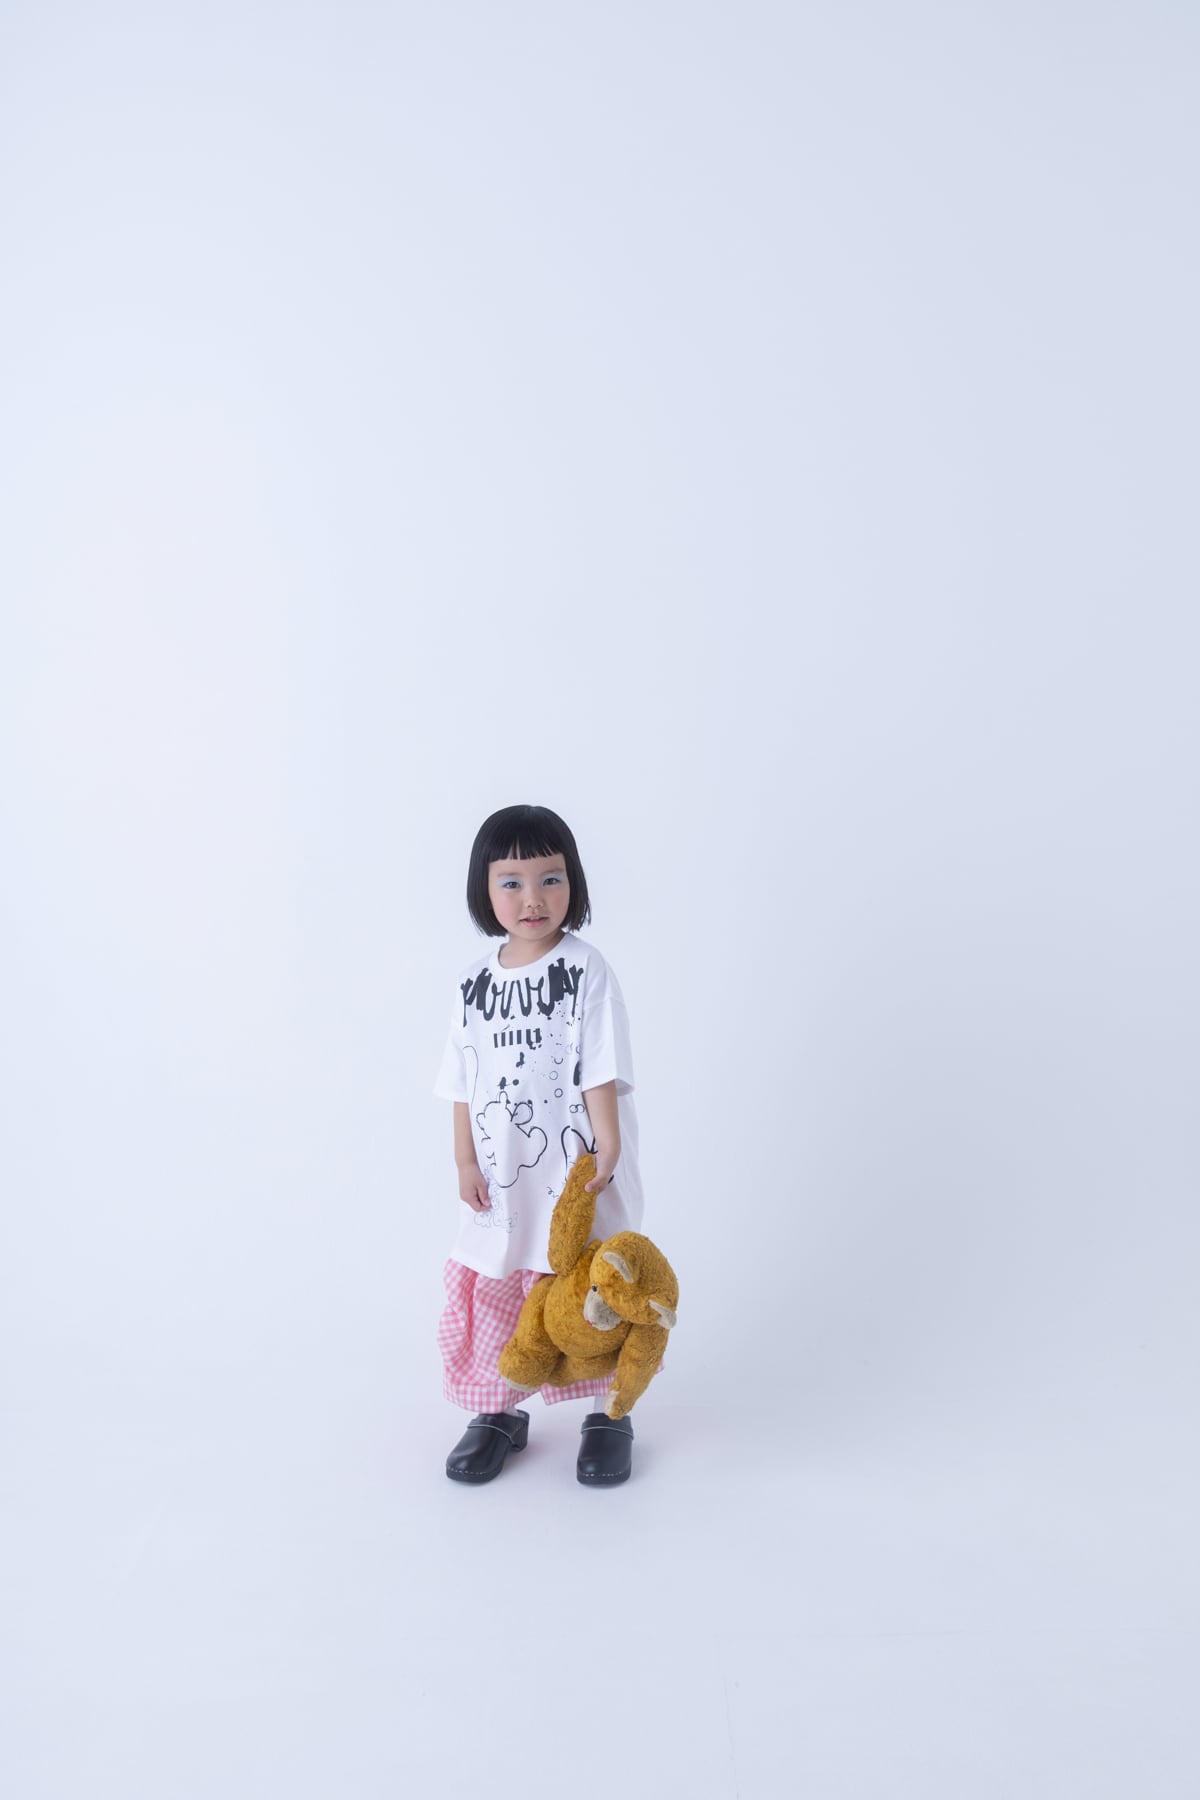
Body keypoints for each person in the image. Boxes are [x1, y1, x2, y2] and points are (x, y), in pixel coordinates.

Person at [433, 804, 644, 1487]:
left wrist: (607, 1142)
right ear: (484, 889)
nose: (533, 899)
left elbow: (600, 1060)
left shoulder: (585, 968)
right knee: (499, 1283)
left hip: (576, 1172)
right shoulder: (474, 982)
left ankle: (610, 1414)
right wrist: (464, 1159)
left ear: (573, 883)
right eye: (512, 882)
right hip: (504, 1178)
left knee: (592, 1288)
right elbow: (461, 1079)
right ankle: (499, 1411)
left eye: (551, 879)